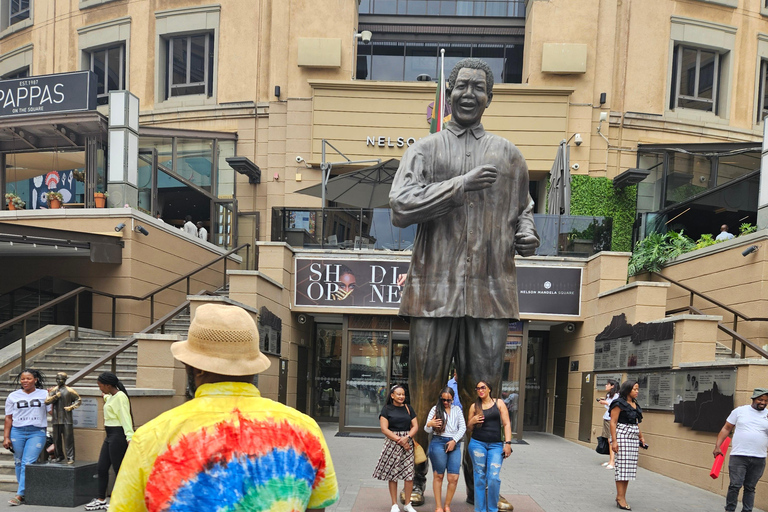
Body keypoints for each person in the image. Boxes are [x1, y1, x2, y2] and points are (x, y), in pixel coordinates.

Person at [389, 57, 539, 509]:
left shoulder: (509, 155)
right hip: (433, 289)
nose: (470, 94)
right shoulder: (425, 150)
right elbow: (400, 205)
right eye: (462, 86)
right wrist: (460, 185)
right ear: (448, 93)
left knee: (484, 391)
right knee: (424, 388)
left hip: (491, 291)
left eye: (479, 87)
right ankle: (419, 478)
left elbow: (523, 209)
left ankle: (480, 487)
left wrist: (526, 232)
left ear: (490, 98)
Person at [109, 303, 338, 511]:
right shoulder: (305, 430)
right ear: (253, 366)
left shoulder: (152, 438)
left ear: (196, 368)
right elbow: (317, 507)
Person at [84, 372, 134, 511]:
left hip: (118, 436)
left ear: (108, 385)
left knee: (119, 470)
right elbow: (109, 400)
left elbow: (125, 416)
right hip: (110, 435)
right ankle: (101, 499)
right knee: (101, 467)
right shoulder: (111, 396)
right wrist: (105, 396)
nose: (99, 388)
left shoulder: (121, 397)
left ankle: (119, 501)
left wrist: (129, 436)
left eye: (100, 386)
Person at [714, 387, 768, 512]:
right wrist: (717, 446)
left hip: (759, 457)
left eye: (766, 401)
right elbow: (726, 428)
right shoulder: (740, 411)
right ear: (754, 399)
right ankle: (730, 509)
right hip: (739, 456)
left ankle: (747, 510)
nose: (763, 403)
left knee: (750, 487)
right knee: (735, 485)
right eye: (761, 399)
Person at [3, 369, 49, 506]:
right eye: (22, 379)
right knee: (18, 461)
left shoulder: (44, 394)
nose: (25, 381)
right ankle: (23, 491)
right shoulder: (13, 396)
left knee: (28, 462)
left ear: (36, 380)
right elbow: (8, 418)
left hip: (37, 432)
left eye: (28, 378)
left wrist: (54, 395)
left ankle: (20, 494)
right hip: (17, 431)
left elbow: (52, 411)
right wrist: (6, 437)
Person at [466, 380, 513, 512]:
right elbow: (468, 429)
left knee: (493, 477)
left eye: (483, 387)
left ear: (489, 389)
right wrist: (472, 421)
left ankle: (492, 509)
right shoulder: (474, 406)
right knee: (479, 477)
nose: (480, 390)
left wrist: (508, 443)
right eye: (478, 388)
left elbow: (506, 424)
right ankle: (479, 510)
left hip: (496, 446)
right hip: (477, 444)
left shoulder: (498, 403)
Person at [373, 384, 419, 512]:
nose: (401, 396)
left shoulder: (408, 408)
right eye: (398, 394)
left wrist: (407, 437)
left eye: (403, 394)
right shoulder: (386, 409)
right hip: (392, 444)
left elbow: (415, 426)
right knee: (393, 475)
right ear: (392, 395)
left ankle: (408, 504)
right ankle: (394, 504)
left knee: (409, 475)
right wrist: (400, 440)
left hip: (407, 444)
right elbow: (384, 429)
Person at [424, 387, 466, 512]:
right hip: (438, 442)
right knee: (439, 476)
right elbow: (426, 430)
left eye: (449, 400)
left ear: (453, 399)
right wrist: (429, 425)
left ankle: (447, 505)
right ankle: (438, 506)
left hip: (454, 443)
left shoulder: (457, 410)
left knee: (453, 477)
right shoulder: (435, 409)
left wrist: (454, 441)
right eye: (443, 400)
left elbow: (462, 428)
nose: (446, 402)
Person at [609, 380, 645, 511]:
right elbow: (613, 422)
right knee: (622, 468)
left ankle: (622, 496)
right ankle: (620, 497)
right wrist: (614, 441)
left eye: (638, 389)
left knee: (629, 469)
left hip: (633, 438)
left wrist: (641, 436)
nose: (637, 391)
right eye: (635, 389)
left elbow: (635, 422)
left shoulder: (634, 404)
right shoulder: (619, 404)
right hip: (622, 436)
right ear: (628, 389)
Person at [45, 371, 81, 463]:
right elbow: (47, 401)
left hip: (66, 419)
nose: (58, 380)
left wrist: (71, 407)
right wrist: (55, 397)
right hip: (56, 419)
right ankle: (59, 456)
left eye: (60, 379)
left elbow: (78, 400)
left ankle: (70, 457)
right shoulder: (54, 390)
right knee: (56, 440)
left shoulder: (70, 390)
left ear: (64, 380)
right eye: (57, 379)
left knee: (68, 439)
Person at [599, 379, 619, 469]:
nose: (605, 386)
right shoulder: (609, 395)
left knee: (611, 439)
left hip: (612, 419)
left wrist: (606, 402)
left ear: (612, 386)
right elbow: (607, 406)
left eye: (607, 384)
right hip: (607, 418)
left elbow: (614, 406)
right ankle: (610, 460)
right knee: (608, 439)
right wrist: (605, 402)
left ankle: (613, 462)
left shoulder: (617, 395)